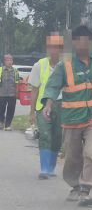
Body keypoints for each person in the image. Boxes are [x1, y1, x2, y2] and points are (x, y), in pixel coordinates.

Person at [41, 25, 92, 207]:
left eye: (87, 40)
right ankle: (75, 185)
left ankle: (86, 189)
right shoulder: (66, 65)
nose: (83, 44)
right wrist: (48, 104)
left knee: (91, 153)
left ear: (91, 41)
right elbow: (53, 86)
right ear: (75, 42)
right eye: (79, 40)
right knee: (73, 156)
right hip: (71, 119)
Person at [29, 34, 65, 179]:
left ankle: (51, 167)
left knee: (57, 137)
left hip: (63, 105)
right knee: (45, 135)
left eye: (56, 47)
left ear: (61, 49)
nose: (53, 50)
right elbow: (35, 89)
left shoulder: (67, 65)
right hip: (43, 106)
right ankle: (44, 168)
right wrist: (31, 112)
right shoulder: (39, 65)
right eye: (50, 47)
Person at [0, 54, 20, 131]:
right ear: (4, 61)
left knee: (11, 109)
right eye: (8, 60)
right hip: (2, 94)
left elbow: (17, 82)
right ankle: (1, 122)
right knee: (1, 109)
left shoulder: (16, 71)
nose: (9, 62)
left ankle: (8, 125)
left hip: (12, 94)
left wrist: (17, 92)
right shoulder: (1, 70)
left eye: (11, 60)